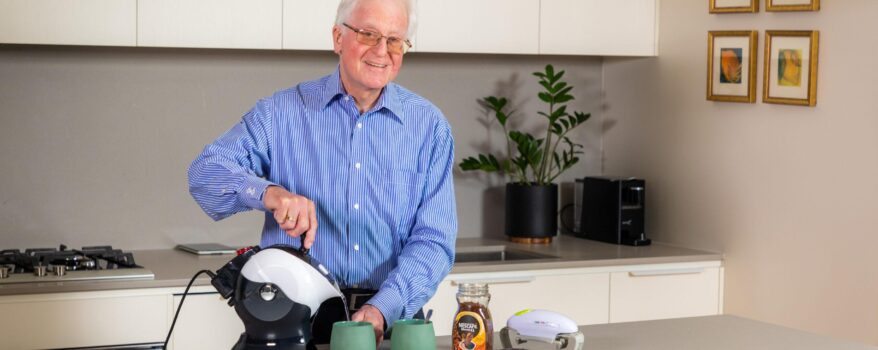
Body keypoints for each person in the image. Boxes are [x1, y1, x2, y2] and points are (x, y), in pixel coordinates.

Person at [187, 0, 457, 345]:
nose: (381, 51)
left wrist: (382, 308)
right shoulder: (281, 113)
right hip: (293, 317)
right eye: (368, 34)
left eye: (394, 40)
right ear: (338, 37)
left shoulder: (429, 127)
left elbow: (433, 240)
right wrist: (270, 193)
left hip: (392, 320)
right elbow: (204, 173)